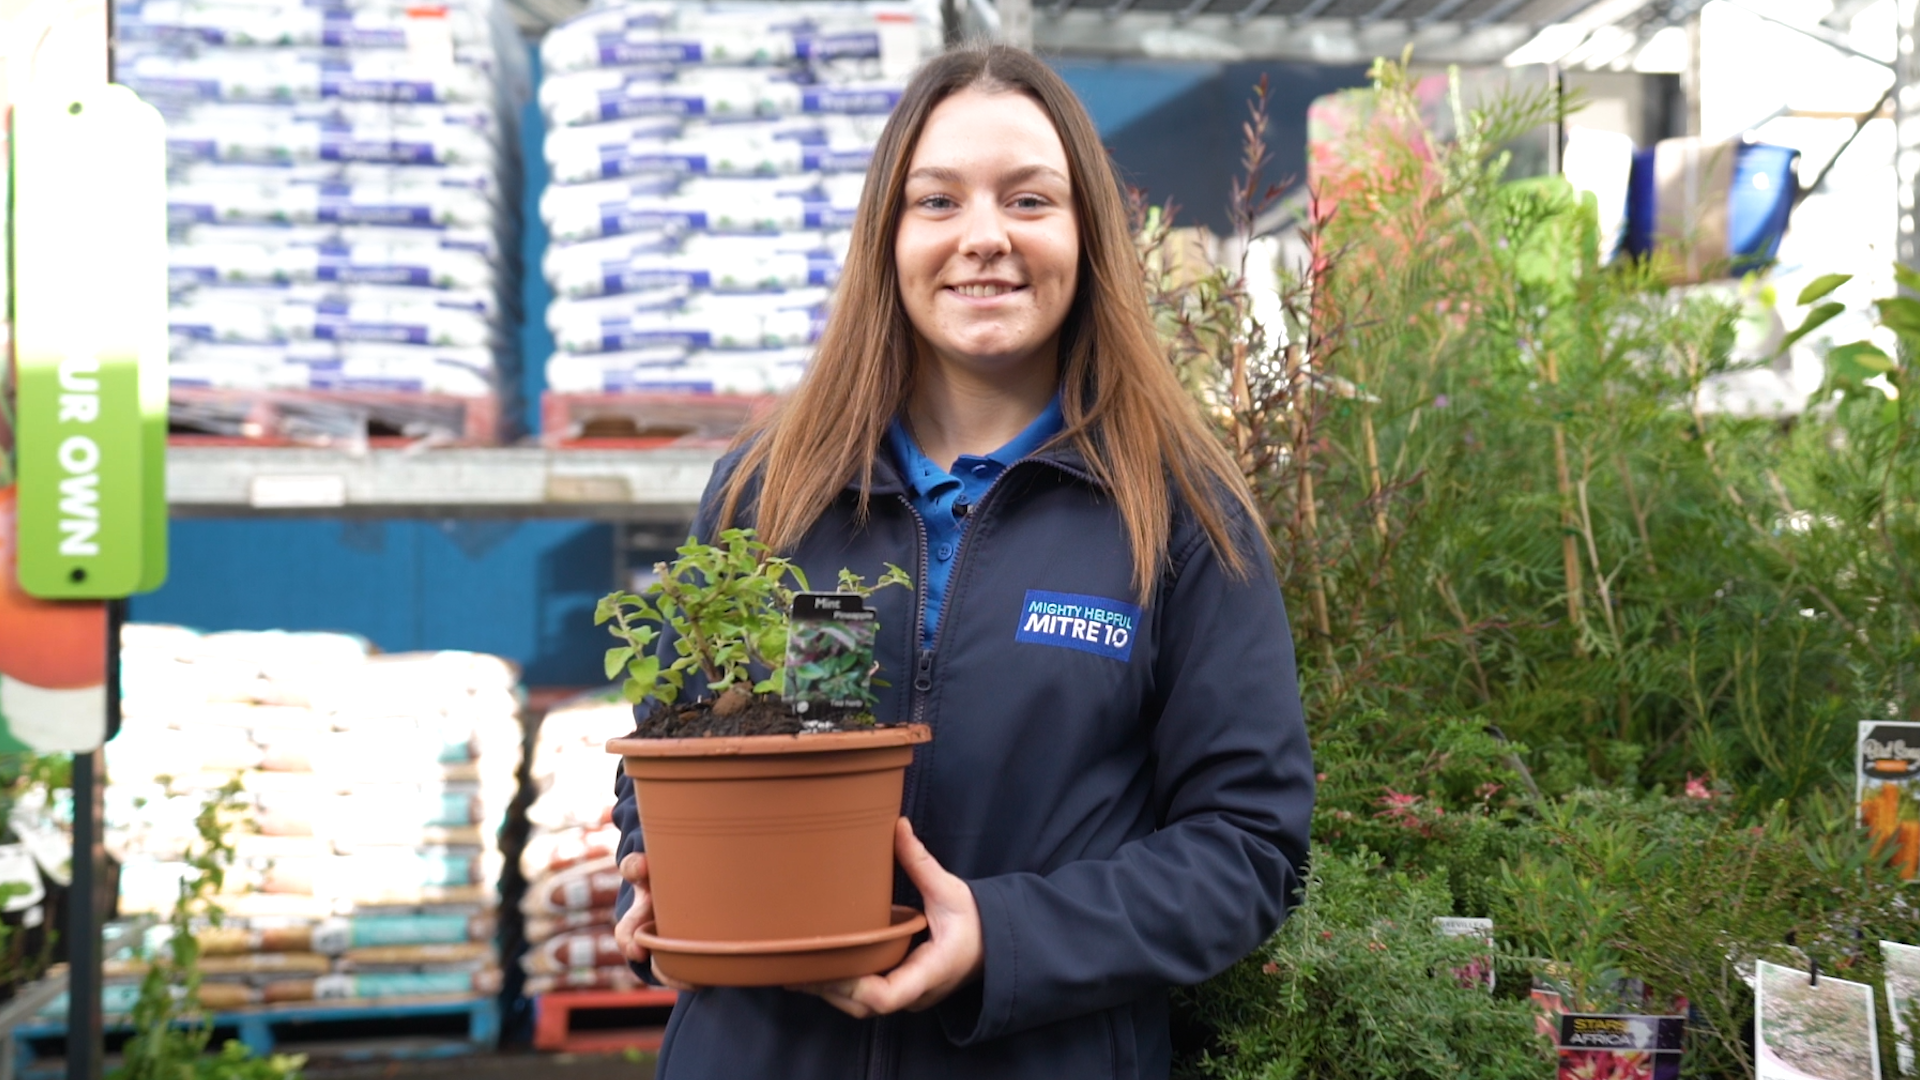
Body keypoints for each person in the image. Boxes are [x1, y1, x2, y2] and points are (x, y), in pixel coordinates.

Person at [609, 42, 1313, 1080]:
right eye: (937, 202)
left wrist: (1002, 934)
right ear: (887, 238)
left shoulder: (1180, 514)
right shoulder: (772, 490)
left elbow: (1249, 848)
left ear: (1088, 239)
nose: (983, 237)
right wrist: (653, 873)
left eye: (1029, 201)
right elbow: (672, 752)